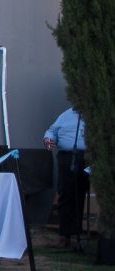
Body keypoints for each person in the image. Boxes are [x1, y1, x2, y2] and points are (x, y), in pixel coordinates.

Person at [44, 106, 89, 249]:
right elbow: (52, 130)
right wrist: (48, 139)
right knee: (66, 194)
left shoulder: (95, 112)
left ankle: (82, 233)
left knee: (80, 194)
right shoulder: (66, 114)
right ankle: (65, 235)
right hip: (67, 157)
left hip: (88, 157)